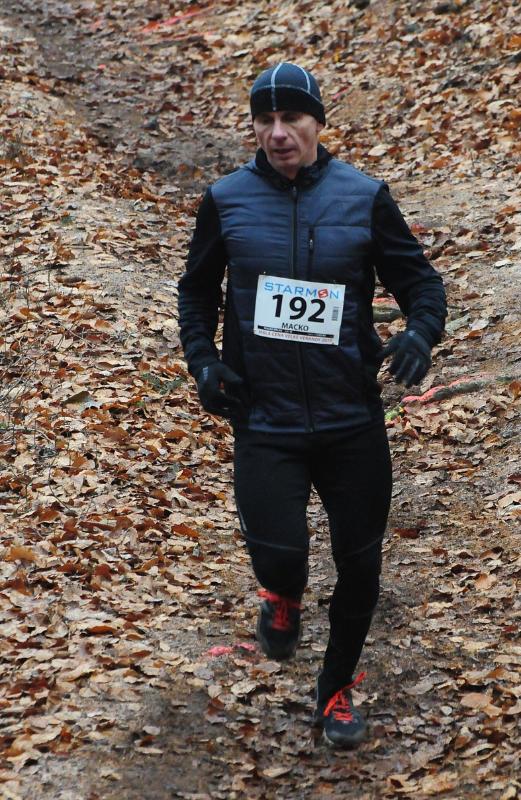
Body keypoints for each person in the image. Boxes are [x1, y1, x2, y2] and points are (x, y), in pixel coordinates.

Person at [177, 62, 446, 748]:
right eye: (264, 121)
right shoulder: (226, 200)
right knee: (281, 557)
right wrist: (204, 362)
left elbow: (421, 285)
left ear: (317, 123)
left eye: (291, 119)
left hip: (349, 418)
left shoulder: (363, 197)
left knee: (360, 565)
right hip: (264, 418)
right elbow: (196, 291)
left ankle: (335, 691)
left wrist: (419, 335)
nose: (277, 134)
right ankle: (281, 596)